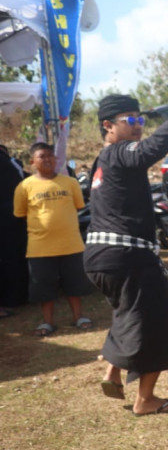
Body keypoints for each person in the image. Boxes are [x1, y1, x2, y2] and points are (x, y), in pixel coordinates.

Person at [85, 88, 168, 415]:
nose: (138, 124)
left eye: (140, 118)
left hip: (101, 258)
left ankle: (113, 373)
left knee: (128, 313)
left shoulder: (101, 163)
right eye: (130, 120)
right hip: (127, 256)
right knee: (157, 324)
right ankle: (145, 400)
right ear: (108, 126)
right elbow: (149, 149)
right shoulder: (120, 151)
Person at [13, 142, 94, 336]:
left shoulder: (70, 183)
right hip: (40, 247)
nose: (47, 159)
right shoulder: (24, 187)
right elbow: (21, 213)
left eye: (51, 155)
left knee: (74, 284)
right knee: (44, 287)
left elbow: (77, 206)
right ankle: (47, 322)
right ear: (32, 161)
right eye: (42, 156)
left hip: (71, 244)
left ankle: (79, 317)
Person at [1, 143, 30, 317]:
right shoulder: (7, 162)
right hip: (7, 218)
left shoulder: (9, 161)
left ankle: (16, 297)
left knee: (15, 256)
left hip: (13, 217)